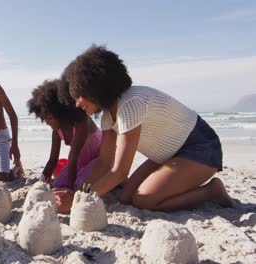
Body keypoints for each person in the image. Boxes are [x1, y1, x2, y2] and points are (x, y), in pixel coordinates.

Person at [63, 45, 235, 211]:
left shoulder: (131, 103)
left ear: (94, 88)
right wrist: (78, 193)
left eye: (79, 95)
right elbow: (104, 162)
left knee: (144, 199)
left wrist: (77, 202)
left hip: (199, 147)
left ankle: (211, 191)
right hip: (167, 155)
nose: (77, 104)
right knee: (125, 197)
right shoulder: (108, 116)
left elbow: (119, 172)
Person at [27, 79, 102, 191]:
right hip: (80, 163)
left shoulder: (81, 122)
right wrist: (41, 181)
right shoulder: (57, 130)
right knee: (58, 184)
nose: (47, 123)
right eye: (45, 119)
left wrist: (71, 190)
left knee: (79, 185)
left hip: (99, 159)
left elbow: (73, 157)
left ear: (61, 112)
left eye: (50, 118)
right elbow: (53, 159)